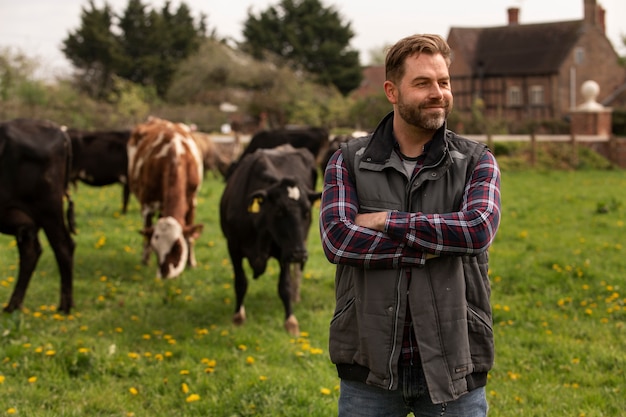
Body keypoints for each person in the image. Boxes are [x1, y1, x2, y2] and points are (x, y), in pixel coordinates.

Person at [319, 34, 501, 417]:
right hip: (369, 366)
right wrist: (436, 244)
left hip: (454, 363)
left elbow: (477, 230)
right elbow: (338, 240)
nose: (438, 93)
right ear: (392, 91)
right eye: (423, 83)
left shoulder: (476, 161)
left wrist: (387, 221)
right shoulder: (348, 161)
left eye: (444, 82)